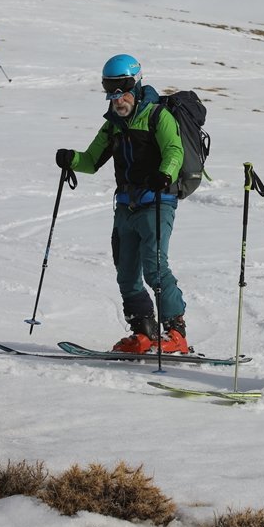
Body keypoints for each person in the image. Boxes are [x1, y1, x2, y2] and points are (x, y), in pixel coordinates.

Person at [53, 54, 189, 354]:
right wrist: (70, 159)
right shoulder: (112, 126)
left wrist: (164, 174)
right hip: (125, 207)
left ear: (136, 84)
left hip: (157, 203)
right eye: (110, 90)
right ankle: (143, 331)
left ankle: (176, 333)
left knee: (155, 269)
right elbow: (91, 161)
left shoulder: (156, 116)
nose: (116, 98)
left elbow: (174, 151)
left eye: (121, 88)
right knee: (126, 272)